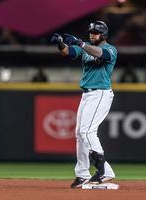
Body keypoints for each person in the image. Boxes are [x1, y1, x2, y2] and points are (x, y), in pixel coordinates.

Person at [51, 20, 117, 188]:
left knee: (88, 131)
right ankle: (82, 174)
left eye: (95, 32)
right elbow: (67, 52)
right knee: (80, 134)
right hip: (87, 94)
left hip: (100, 93)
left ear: (103, 34)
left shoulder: (110, 49)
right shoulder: (86, 46)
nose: (92, 34)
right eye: (91, 32)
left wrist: (80, 43)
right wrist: (60, 43)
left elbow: (100, 54)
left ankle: (104, 172)